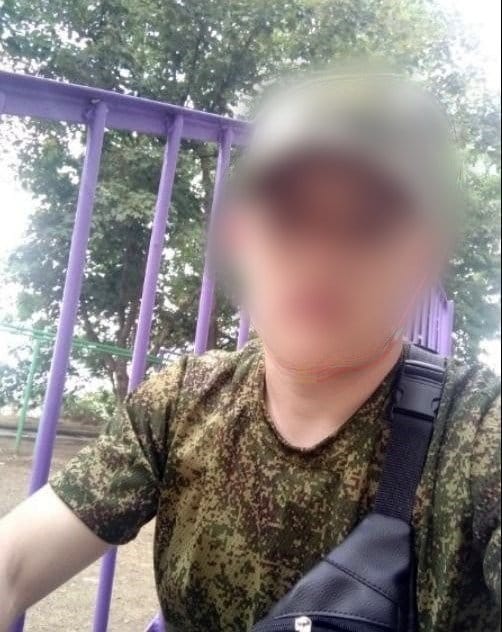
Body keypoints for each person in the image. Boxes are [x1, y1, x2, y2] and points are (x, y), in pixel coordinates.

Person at [0, 73, 500, 632]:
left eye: (367, 225)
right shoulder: (183, 403)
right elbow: (13, 566)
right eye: (290, 218)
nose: (321, 258)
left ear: (421, 258)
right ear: (242, 237)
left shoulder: (477, 434)